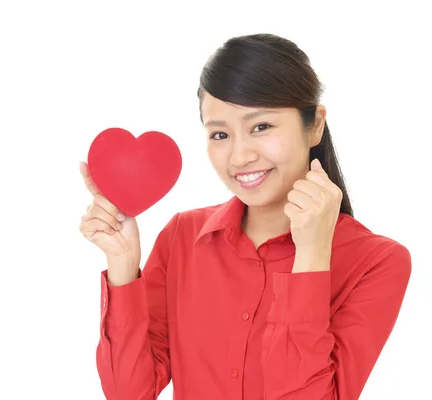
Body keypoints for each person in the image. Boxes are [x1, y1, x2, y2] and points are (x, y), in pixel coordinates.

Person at [79, 33, 411, 400]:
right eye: (220, 134)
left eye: (261, 127)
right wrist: (123, 263)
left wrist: (312, 257)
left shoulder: (377, 262)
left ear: (315, 124)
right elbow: (130, 392)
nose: (239, 157)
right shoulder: (181, 237)